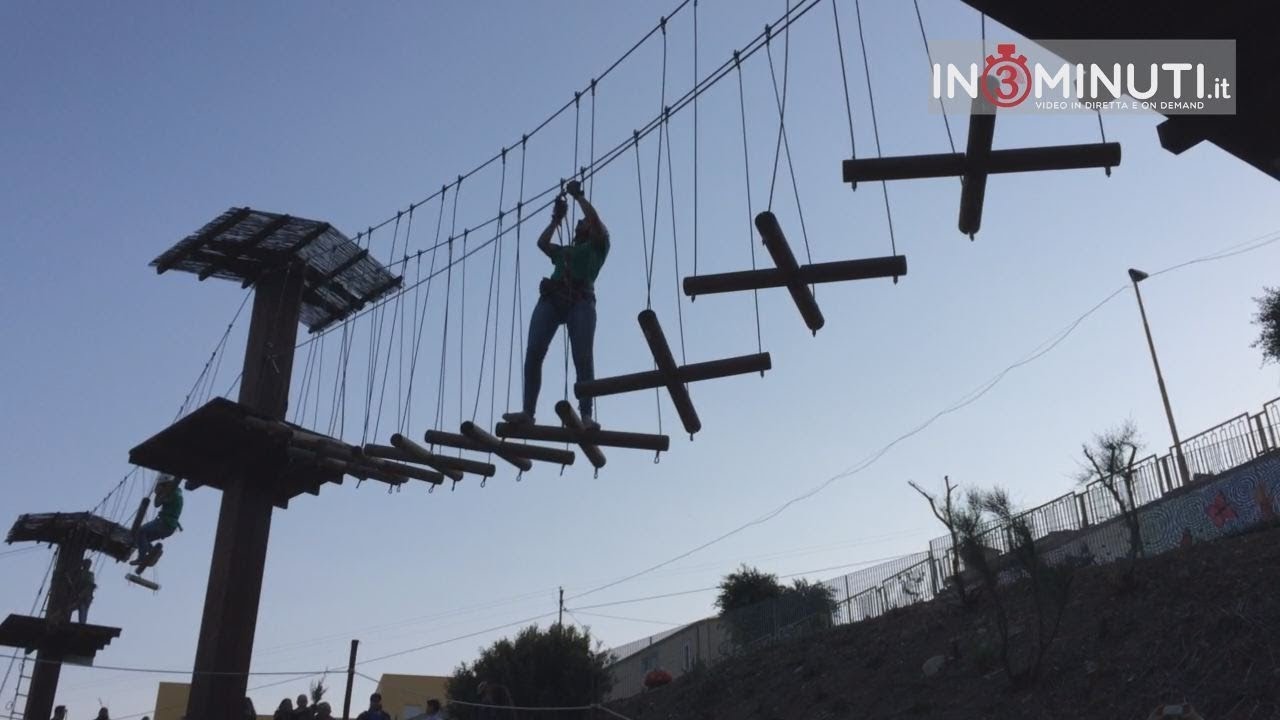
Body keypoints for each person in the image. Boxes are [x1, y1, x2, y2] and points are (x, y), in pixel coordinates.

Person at [502, 179, 609, 429]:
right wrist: (556, 220)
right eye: (580, 223)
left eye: (584, 223)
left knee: (582, 356)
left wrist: (579, 197)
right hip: (552, 299)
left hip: (581, 301)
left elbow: (594, 220)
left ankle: (586, 414)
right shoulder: (564, 252)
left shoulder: (598, 246)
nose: (582, 223)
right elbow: (541, 243)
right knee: (533, 352)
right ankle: (528, 412)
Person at [133, 475, 183, 569]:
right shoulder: (177, 492)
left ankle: (142, 557)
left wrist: (158, 493)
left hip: (164, 523)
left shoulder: (171, 493)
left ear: (166, 484)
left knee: (141, 531)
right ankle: (153, 552)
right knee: (143, 539)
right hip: (169, 526)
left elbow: (157, 504)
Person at [67, 558, 95, 623]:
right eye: (87, 564)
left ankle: (82, 624)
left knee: (83, 610)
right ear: (84, 564)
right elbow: (75, 581)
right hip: (77, 594)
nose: (88, 566)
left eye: (89, 564)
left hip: (85, 596)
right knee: (70, 608)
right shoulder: (79, 573)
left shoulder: (90, 574)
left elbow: (90, 585)